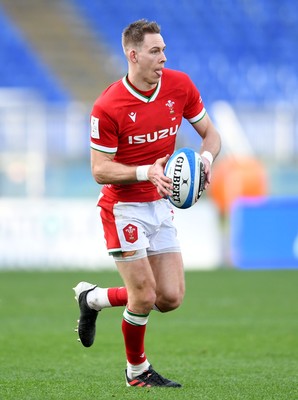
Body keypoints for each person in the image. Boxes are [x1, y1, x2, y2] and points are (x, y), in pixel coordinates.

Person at [73, 19, 221, 388]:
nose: (163, 58)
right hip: (122, 207)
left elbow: (211, 134)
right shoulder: (108, 106)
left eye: (165, 50)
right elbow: (99, 169)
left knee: (169, 298)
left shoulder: (179, 85)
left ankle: (93, 299)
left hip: (160, 204)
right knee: (143, 296)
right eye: (155, 52)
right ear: (133, 55)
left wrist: (205, 161)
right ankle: (137, 372)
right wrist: (144, 173)